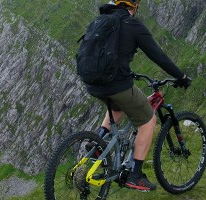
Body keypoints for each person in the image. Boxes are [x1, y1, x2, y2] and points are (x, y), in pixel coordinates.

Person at [82, 0, 191, 192]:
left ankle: (98, 141)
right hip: (116, 84)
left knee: (118, 105)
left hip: (92, 83)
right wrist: (180, 76)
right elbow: (158, 55)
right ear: (134, 6)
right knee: (148, 120)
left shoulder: (102, 20)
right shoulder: (132, 25)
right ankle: (135, 175)